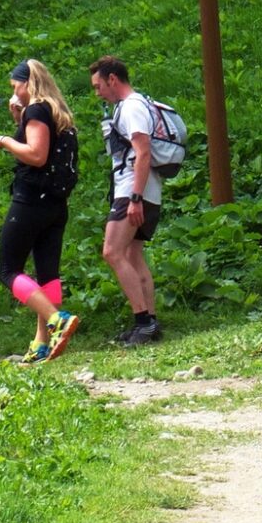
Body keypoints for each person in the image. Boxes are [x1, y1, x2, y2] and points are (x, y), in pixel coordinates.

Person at [0, 60, 81, 364]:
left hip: (31, 201)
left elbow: (37, 155)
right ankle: (42, 342)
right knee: (47, 274)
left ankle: (57, 319)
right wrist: (18, 118)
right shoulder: (57, 112)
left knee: (7, 270)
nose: (13, 92)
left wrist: (4, 140)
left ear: (27, 83)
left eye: (15, 86)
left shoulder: (38, 109)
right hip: (56, 204)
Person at [91, 56, 164, 345]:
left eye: (98, 86)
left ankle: (143, 321)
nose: (97, 93)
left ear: (112, 79)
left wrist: (134, 198)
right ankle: (151, 324)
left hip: (133, 191)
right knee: (133, 255)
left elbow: (142, 153)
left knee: (112, 251)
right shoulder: (137, 104)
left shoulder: (132, 107)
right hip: (147, 191)